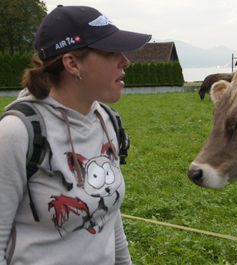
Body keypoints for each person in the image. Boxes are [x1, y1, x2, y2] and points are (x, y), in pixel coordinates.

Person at [0, 5, 151, 265]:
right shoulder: (16, 133)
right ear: (72, 63)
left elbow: (108, 213)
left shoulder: (108, 121)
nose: (125, 61)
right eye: (111, 52)